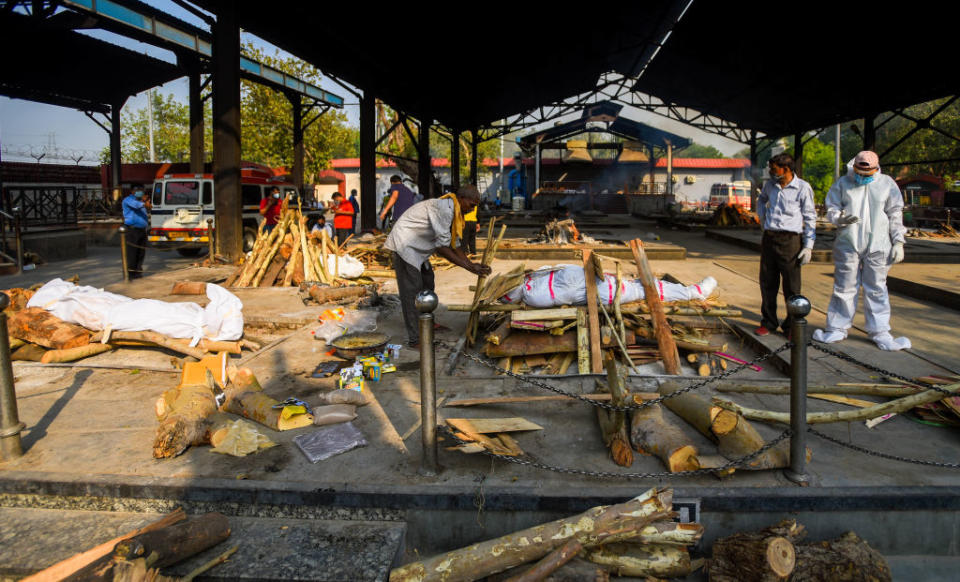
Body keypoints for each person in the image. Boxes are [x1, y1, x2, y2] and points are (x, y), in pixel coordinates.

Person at [813, 151, 910, 351]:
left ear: (876, 169)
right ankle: (837, 327)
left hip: (879, 244)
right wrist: (839, 218)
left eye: (868, 174)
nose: (863, 177)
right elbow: (831, 208)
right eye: (860, 172)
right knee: (844, 286)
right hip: (848, 242)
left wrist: (899, 241)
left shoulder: (886, 184)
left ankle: (880, 330)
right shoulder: (843, 183)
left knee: (876, 287)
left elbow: (895, 213)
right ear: (854, 167)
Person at [385, 184, 491, 347]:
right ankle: (415, 338)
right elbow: (442, 247)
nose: (472, 209)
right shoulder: (445, 209)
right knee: (412, 291)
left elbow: (454, 244)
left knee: (428, 282)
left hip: (418, 248)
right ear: (461, 199)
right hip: (405, 244)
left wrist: (471, 265)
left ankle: (427, 321)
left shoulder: (456, 212)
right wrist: (469, 267)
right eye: (471, 205)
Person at [755, 152, 816, 337]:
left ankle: (791, 326)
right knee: (767, 282)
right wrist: (762, 218)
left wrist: (808, 246)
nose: (771, 173)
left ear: (786, 169)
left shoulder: (802, 188)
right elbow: (761, 200)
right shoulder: (770, 186)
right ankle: (769, 322)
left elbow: (810, 216)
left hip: (791, 240)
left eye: (774, 170)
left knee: (792, 286)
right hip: (770, 238)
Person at [122, 184, 151, 279]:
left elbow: (148, 208)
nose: (140, 192)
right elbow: (136, 205)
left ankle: (138, 272)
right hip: (132, 230)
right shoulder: (128, 200)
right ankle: (130, 273)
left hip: (142, 230)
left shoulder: (141, 202)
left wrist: (146, 203)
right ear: (132, 191)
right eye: (138, 190)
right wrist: (144, 203)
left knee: (141, 252)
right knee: (132, 253)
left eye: (142, 190)